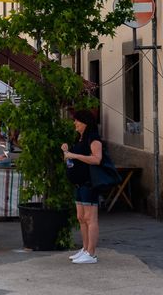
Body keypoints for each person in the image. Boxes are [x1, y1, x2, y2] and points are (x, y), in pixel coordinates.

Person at [62, 109, 102, 264]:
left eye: (77, 121)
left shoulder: (93, 139)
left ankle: (91, 253)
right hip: (78, 183)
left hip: (89, 182)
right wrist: (66, 152)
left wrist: (75, 155)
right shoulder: (79, 139)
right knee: (81, 217)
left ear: (85, 122)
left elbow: (97, 159)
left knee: (90, 218)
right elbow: (71, 160)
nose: (75, 123)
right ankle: (85, 248)